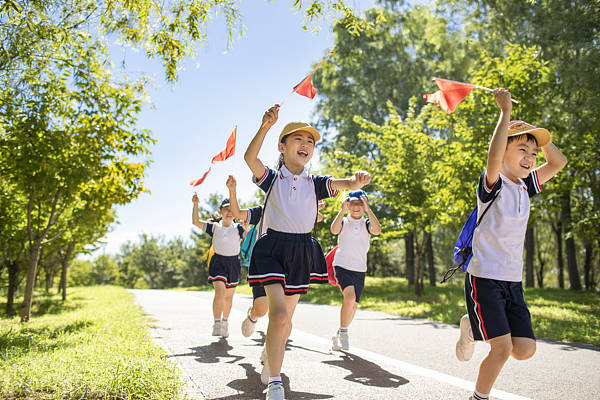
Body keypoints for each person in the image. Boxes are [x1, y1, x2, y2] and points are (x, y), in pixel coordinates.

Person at [244, 104, 371, 400]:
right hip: (273, 248)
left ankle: (269, 354)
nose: (305, 145)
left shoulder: (316, 184)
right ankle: (275, 383)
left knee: (286, 319)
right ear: (283, 146)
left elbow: (346, 183)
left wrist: (357, 181)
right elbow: (250, 158)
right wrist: (265, 126)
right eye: (298, 139)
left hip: (301, 251)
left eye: (310, 142)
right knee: (276, 315)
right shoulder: (272, 179)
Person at [455, 89, 567, 400]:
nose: (530, 158)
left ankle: (471, 324)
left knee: (525, 350)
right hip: (485, 278)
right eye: (522, 150)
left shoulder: (525, 187)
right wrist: (505, 115)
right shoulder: (494, 185)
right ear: (504, 150)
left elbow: (558, 161)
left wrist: (534, 135)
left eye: (533, 154)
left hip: (512, 281)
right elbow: (492, 157)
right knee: (502, 349)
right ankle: (479, 397)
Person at [226, 174, 325, 385]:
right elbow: (236, 213)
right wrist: (232, 190)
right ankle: (253, 316)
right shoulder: (261, 211)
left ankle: (271, 361)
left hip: (291, 264)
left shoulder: (295, 210)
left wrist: (313, 206)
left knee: (283, 317)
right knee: (263, 309)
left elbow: (312, 217)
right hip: (265, 264)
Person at [330, 189, 381, 351]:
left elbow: (377, 230)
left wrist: (368, 208)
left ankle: (340, 331)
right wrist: (342, 210)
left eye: (360, 204)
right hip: (342, 265)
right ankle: (344, 332)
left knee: (353, 305)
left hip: (360, 269)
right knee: (349, 297)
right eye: (353, 204)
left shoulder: (366, 223)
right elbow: (334, 230)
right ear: (348, 204)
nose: (356, 207)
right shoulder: (344, 221)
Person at [192, 192, 248, 338]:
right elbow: (196, 222)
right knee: (220, 292)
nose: (229, 212)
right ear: (220, 211)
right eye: (226, 209)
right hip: (218, 262)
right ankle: (217, 323)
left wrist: (247, 228)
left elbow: (248, 240)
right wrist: (196, 204)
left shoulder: (238, 228)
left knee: (229, 298)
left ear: (236, 212)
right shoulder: (215, 227)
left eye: (232, 209)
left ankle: (224, 323)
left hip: (233, 264)